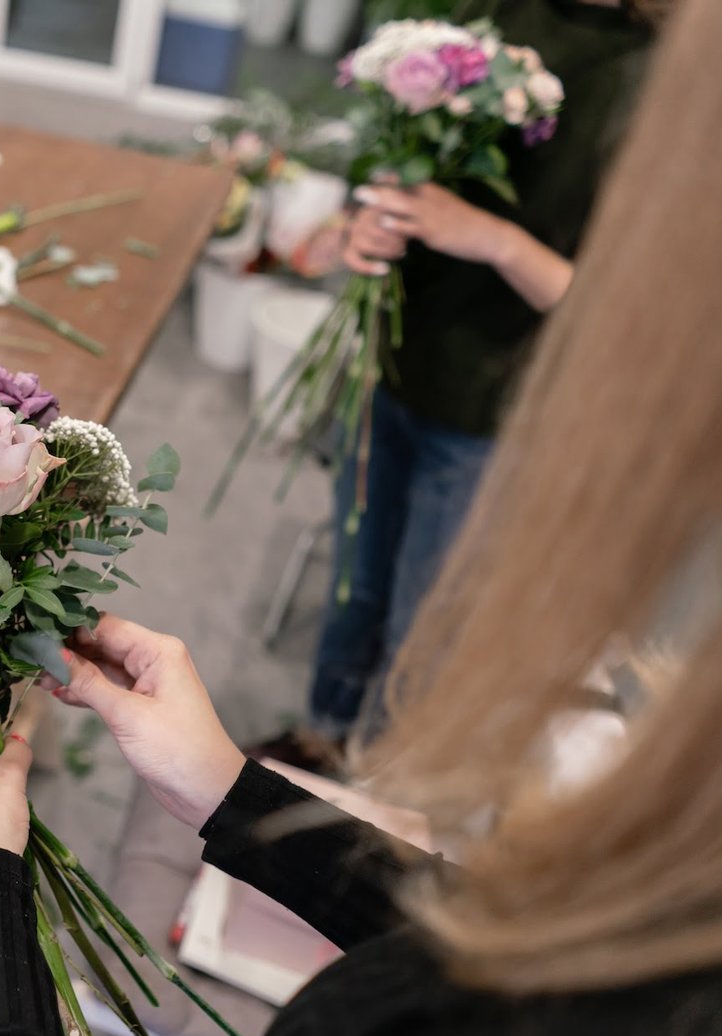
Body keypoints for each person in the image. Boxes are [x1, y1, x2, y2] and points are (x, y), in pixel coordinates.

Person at [0, 0, 722, 1036]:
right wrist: (228, 792)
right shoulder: (649, 918)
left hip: (469, 405)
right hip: (404, 382)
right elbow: (488, 952)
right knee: (362, 588)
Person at [256, 0, 666, 771]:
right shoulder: (485, 18)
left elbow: (625, 317)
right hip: (392, 368)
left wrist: (496, 241)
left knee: (424, 623)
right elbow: (398, 169)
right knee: (356, 586)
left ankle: (377, 781)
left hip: (495, 412)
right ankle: (321, 740)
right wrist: (373, 218)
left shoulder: (660, 81)